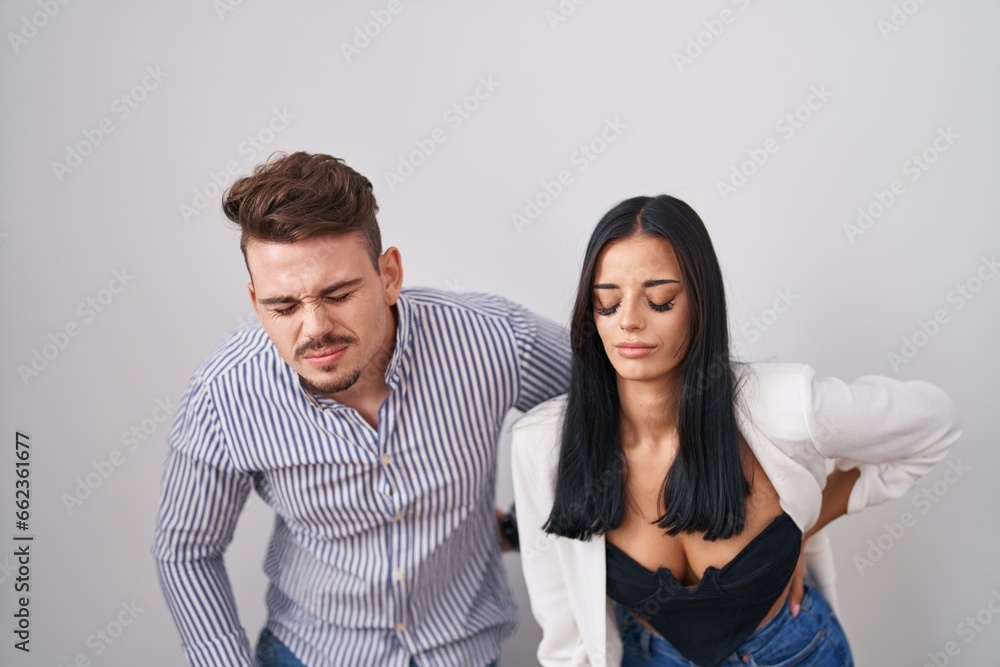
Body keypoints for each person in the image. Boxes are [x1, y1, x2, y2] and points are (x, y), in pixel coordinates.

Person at [152, 151, 571, 666]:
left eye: (339, 293)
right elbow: (186, 549)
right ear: (255, 300)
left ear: (388, 274)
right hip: (310, 654)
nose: (314, 329)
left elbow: (625, 408)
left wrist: (537, 526)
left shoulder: (494, 339)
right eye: (283, 306)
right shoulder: (224, 394)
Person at [510, 195, 963, 667]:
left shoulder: (785, 406)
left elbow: (937, 422)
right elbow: (564, 632)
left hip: (793, 653)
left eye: (660, 300)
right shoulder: (542, 445)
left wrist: (808, 519)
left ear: (702, 303)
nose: (629, 321)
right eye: (607, 303)